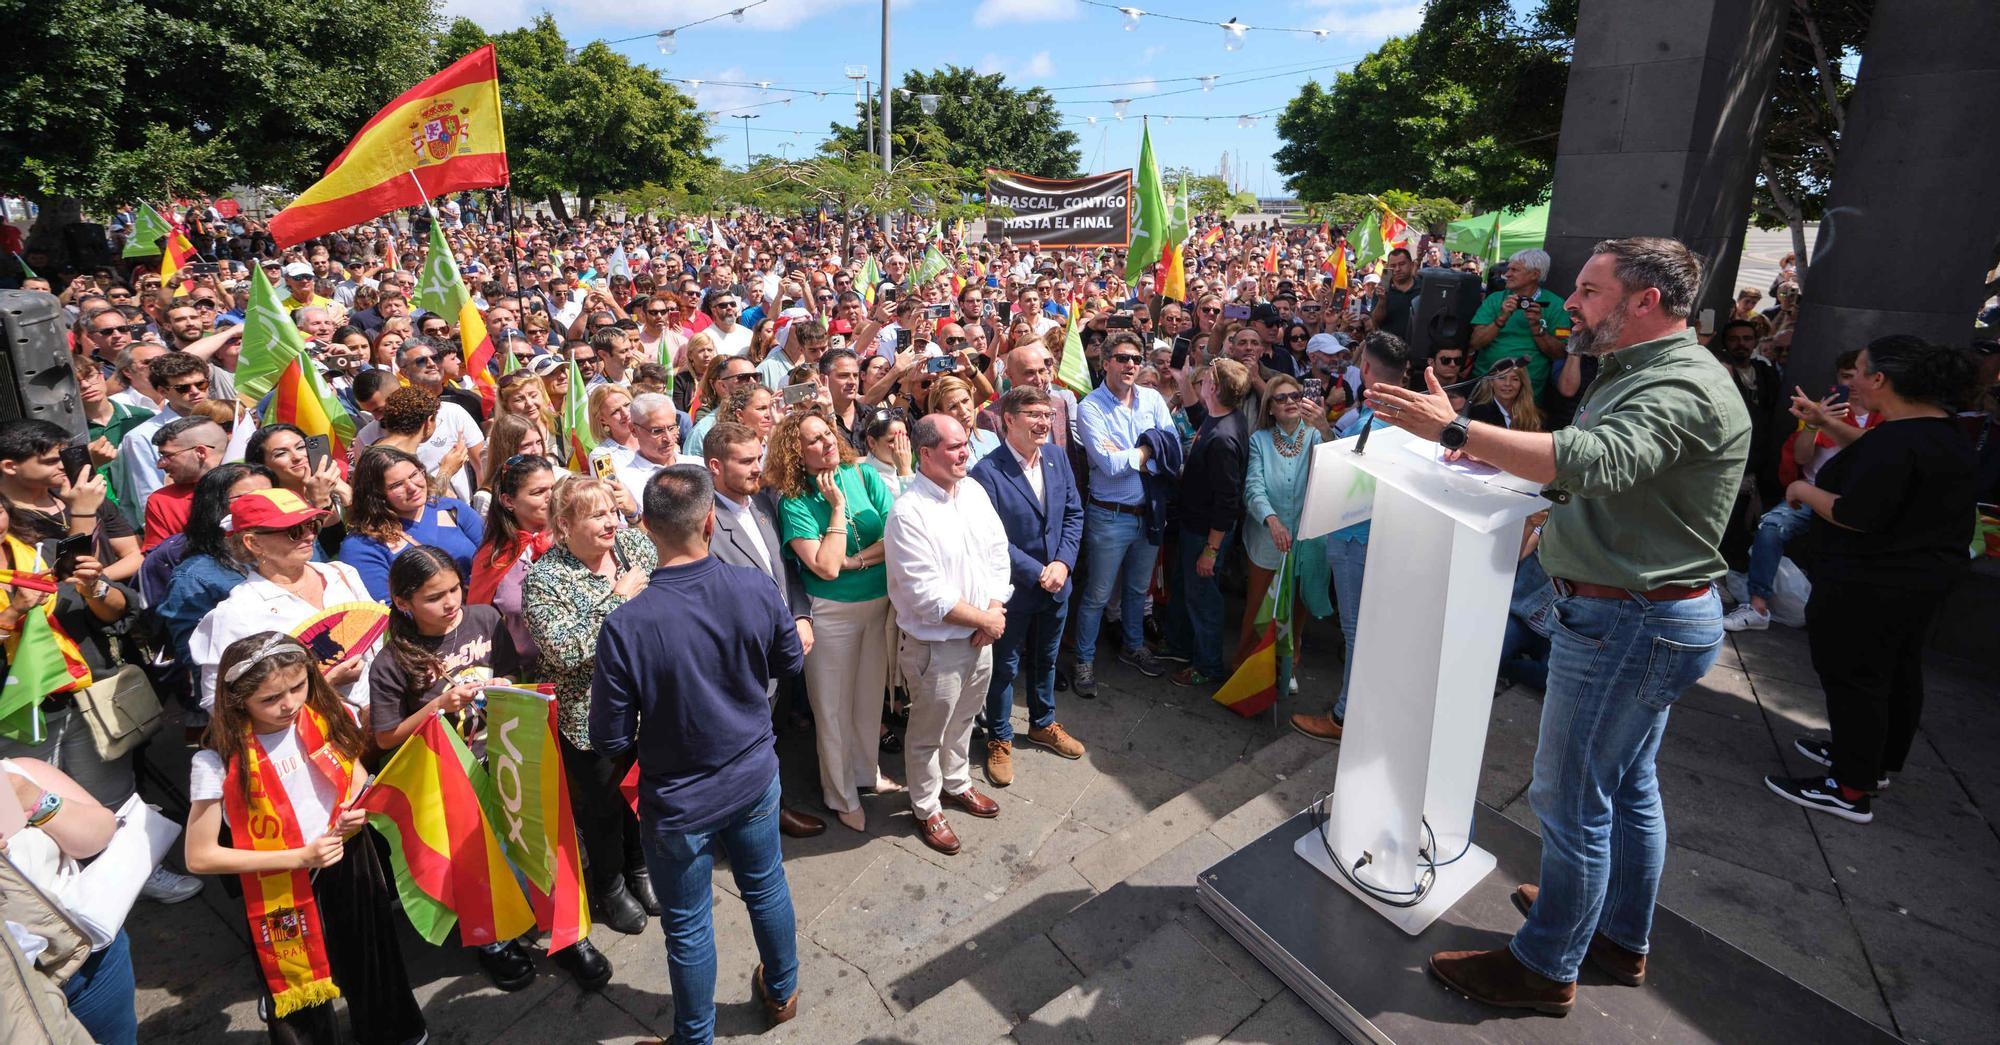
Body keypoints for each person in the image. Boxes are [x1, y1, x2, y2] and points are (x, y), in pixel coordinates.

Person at [1367, 238, 1746, 1016]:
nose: (1569, 301)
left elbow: (1597, 461)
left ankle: (1544, 965)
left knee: (1572, 800)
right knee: (1626, 785)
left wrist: (1456, 432)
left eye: (1590, 289)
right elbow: (1606, 480)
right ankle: (1614, 930)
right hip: (1642, 612)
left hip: (1629, 621)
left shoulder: (1678, 384)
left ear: (1645, 302)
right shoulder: (1641, 368)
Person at [591, 464, 804, 1045]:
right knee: (766, 884)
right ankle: (782, 991)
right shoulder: (755, 587)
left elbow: (609, 736)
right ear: (710, 521)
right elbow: (790, 664)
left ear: (645, 527)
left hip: (678, 796)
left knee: (688, 927)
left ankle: (695, 1037)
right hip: (754, 771)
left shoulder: (625, 624)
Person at [1764, 337, 1978, 823]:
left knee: (1855, 679)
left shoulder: (1905, 438)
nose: (1852, 381)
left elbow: (1855, 514)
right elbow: (1878, 454)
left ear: (1880, 379)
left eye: (1859, 371)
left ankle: (1850, 788)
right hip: (1918, 580)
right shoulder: (1935, 430)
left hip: (1873, 582)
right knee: (1894, 671)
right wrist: (1825, 425)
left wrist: (1802, 489)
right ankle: (1871, 760)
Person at [183, 633, 426, 1045]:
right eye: (270, 698)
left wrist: (355, 806)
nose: (289, 704)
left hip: (347, 851)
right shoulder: (215, 760)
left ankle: (392, 1031)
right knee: (295, 987)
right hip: (278, 875)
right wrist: (298, 857)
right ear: (237, 699)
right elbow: (200, 856)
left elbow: (356, 776)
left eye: (299, 687)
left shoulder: (323, 717)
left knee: (371, 953)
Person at [522, 476, 658, 936]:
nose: (610, 522)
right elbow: (564, 650)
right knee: (601, 808)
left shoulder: (634, 550)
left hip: (647, 700)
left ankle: (640, 867)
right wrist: (615, 603)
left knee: (642, 793)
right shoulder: (545, 577)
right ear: (564, 525)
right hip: (589, 715)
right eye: (597, 514)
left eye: (611, 511)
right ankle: (611, 884)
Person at [884, 415, 1012, 856]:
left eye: (965, 445)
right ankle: (925, 806)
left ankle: (957, 784)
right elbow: (926, 595)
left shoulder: (974, 491)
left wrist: (993, 609)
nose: (965, 453)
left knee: (963, 721)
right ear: (925, 454)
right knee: (927, 732)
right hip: (936, 647)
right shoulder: (908, 513)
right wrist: (984, 620)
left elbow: (998, 553)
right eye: (955, 446)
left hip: (981, 636)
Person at [769, 407, 898, 833]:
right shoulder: (794, 499)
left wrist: (855, 561)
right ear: (795, 451)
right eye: (813, 440)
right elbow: (824, 567)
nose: (826, 443)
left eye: (828, 434)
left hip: (877, 604)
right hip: (831, 615)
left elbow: (893, 535)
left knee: (867, 699)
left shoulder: (862, 474)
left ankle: (866, 773)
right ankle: (840, 793)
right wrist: (837, 508)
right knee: (833, 709)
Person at [701, 421, 826, 839]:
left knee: (773, 739)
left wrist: (802, 615)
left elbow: (786, 570)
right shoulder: (704, 524)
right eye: (747, 461)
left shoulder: (763, 504)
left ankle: (770, 808)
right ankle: (750, 821)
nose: (759, 468)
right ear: (716, 466)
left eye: (759, 457)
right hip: (743, 662)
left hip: (783, 649)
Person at [1291, 332, 1410, 743]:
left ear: (1369, 369)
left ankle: (1344, 717)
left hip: (1358, 538)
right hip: (1385, 535)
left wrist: (1322, 427)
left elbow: (1348, 475)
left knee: (1357, 629)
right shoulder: (1409, 411)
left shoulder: (1374, 419)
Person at [967, 387, 1087, 789]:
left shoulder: (1056, 457)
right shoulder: (987, 472)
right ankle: (999, 737)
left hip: (1056, 586)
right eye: (1033, 414)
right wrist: (1039, 570)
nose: (1043, 422)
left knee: (1046, 661)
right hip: (1014, 590)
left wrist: (1064, 563)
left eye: (1047, 415)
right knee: (1004, 668)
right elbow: (992, 539)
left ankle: (1043, 723)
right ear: (1008, 420)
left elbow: (1073, 513)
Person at [188, 489, 378, 716]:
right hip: (315, 736)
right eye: (294, 531)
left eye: (313, 524)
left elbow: (377, 645)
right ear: (253, 543)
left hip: (384, 715)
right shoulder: (236, 613)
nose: (309, 536)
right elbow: (218, 705)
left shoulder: (342, 573)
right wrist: (324, 684)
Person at [1, 755, 142, 1045]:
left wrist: (38, 801)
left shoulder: (17, 772)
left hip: (91, 963)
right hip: (10, 998)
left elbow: (100, 834)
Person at [1072, 332, 1176, 696]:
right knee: (1098, 595)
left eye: (1135, 358)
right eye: (1122, 358)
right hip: (1109, 516)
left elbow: (1172, 446)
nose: (1130, 364)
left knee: (1136, 589)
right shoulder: (1090, 407)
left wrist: (1135, 452)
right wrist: (1149, 451)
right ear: (1105, 363)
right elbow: (1108, 464)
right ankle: (1084, 660)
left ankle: (1134, 646)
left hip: (1147, 512)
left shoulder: (1152, 399)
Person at [1162, 359, 1251, 688]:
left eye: (1206, 380)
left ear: (1213, 388)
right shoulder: (1223, 417)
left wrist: (1211, 551)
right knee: (1189, 590)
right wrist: (1182, 380)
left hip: (1205, 534)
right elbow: (1201, 418)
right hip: (1195, 527)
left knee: (1203, 599)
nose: (1201, 383)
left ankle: (1208, 665)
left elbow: (1227, 502)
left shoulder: (1223, 441)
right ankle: (1181, 646)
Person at [1239, 372, 1326, 671]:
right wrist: (1272, 521)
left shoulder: (1316, 435)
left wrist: (1324, 426)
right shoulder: (1258, 440)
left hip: (1304, 539)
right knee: (1258, 609)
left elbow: (1338, 469)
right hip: (1266, 539)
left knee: (1296, 608)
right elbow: (1253, 487)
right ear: (1270, 407)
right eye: (1281, 398)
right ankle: (1246, 672)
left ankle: (1290, 661)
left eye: (1295, 396)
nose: (1289, 402)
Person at [338, 445, 483, 600]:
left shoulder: (452, 509)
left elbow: (493, 556)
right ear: (376, 495)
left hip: (479, 613)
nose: (412, 487)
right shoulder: (362, 545)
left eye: (414, 474)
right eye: (397, 485)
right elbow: (384, 610)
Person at [469, 453, 556, 671]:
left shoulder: (577, 537)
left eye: (553, 489)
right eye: (538, 492)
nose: (551, 498)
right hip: (523, 677)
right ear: (509, 501)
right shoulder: (494, 556)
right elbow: (479, 622)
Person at [140, 417, 225, 550]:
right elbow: (158, 561)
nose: (160, 464)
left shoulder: (254, 486)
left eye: (167, 455)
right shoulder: (162, 501)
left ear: (200, 452)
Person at [927, 376, 1001, 461]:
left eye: (965, 401)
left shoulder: (990, 437)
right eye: (953, 407)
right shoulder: (937, 453)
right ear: (939, 413)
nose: (963, 410)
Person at [1466, 359, 1546, 432]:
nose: (1508, 384)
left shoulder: (1534, 416)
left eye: (1515, 379)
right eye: (1501, 378)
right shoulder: (1478, 414)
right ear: (1491, 382)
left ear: (1522, 384)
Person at [860, 407, 916, 495]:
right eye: (892, 440)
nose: (901, 444)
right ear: (872, 442)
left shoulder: (895, 467)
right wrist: (905, 471)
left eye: (904, 436)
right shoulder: (874, 479)